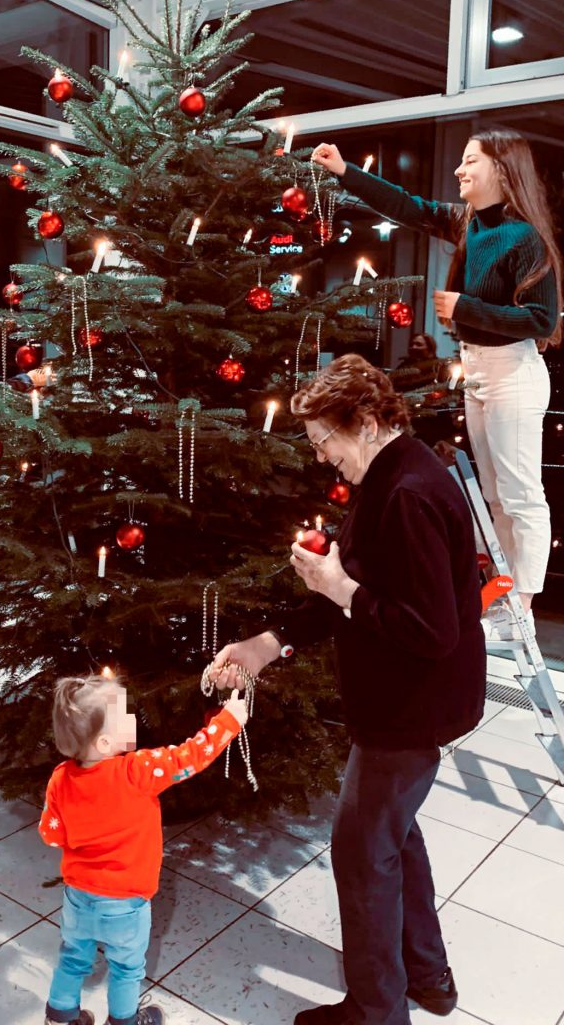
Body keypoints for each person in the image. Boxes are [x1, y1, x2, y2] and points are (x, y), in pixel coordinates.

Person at [211, 354, 486, 1025]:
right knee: (393, 837)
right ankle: (427, 974)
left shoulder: (409, 493)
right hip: (407, 700)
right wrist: (264, 645)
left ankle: (375, 1010)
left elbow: (430, 630)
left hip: (411, 705)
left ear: (363, 422)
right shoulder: (388, 473)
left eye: (324, 440)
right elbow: (355, 589)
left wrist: (339, 587)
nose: (320, 456)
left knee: (362, 852)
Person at [312, 132, 562, 634]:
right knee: (493, 494)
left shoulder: (526, 238)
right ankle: (502, 595)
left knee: (519, 496)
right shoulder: (468, 222)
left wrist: (465, 308)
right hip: (478, 370)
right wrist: (345, 171)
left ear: (502, 170)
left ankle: (524, 607)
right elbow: (408, 206)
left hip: (514, 371)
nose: (459, 170)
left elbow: (540, 320)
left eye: (470, 161)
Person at [39, 673, 248, 1025]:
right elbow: (189, 757)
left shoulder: (61, 777)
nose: (133, 719)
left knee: (73, 957)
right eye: (125, 715)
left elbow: (51, 835)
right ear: (105, 742)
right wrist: (229, 721)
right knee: (125, 967)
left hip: (78, 897)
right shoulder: (136, 771)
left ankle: (59, 1017)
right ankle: (124, 1021)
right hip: (127, 901)